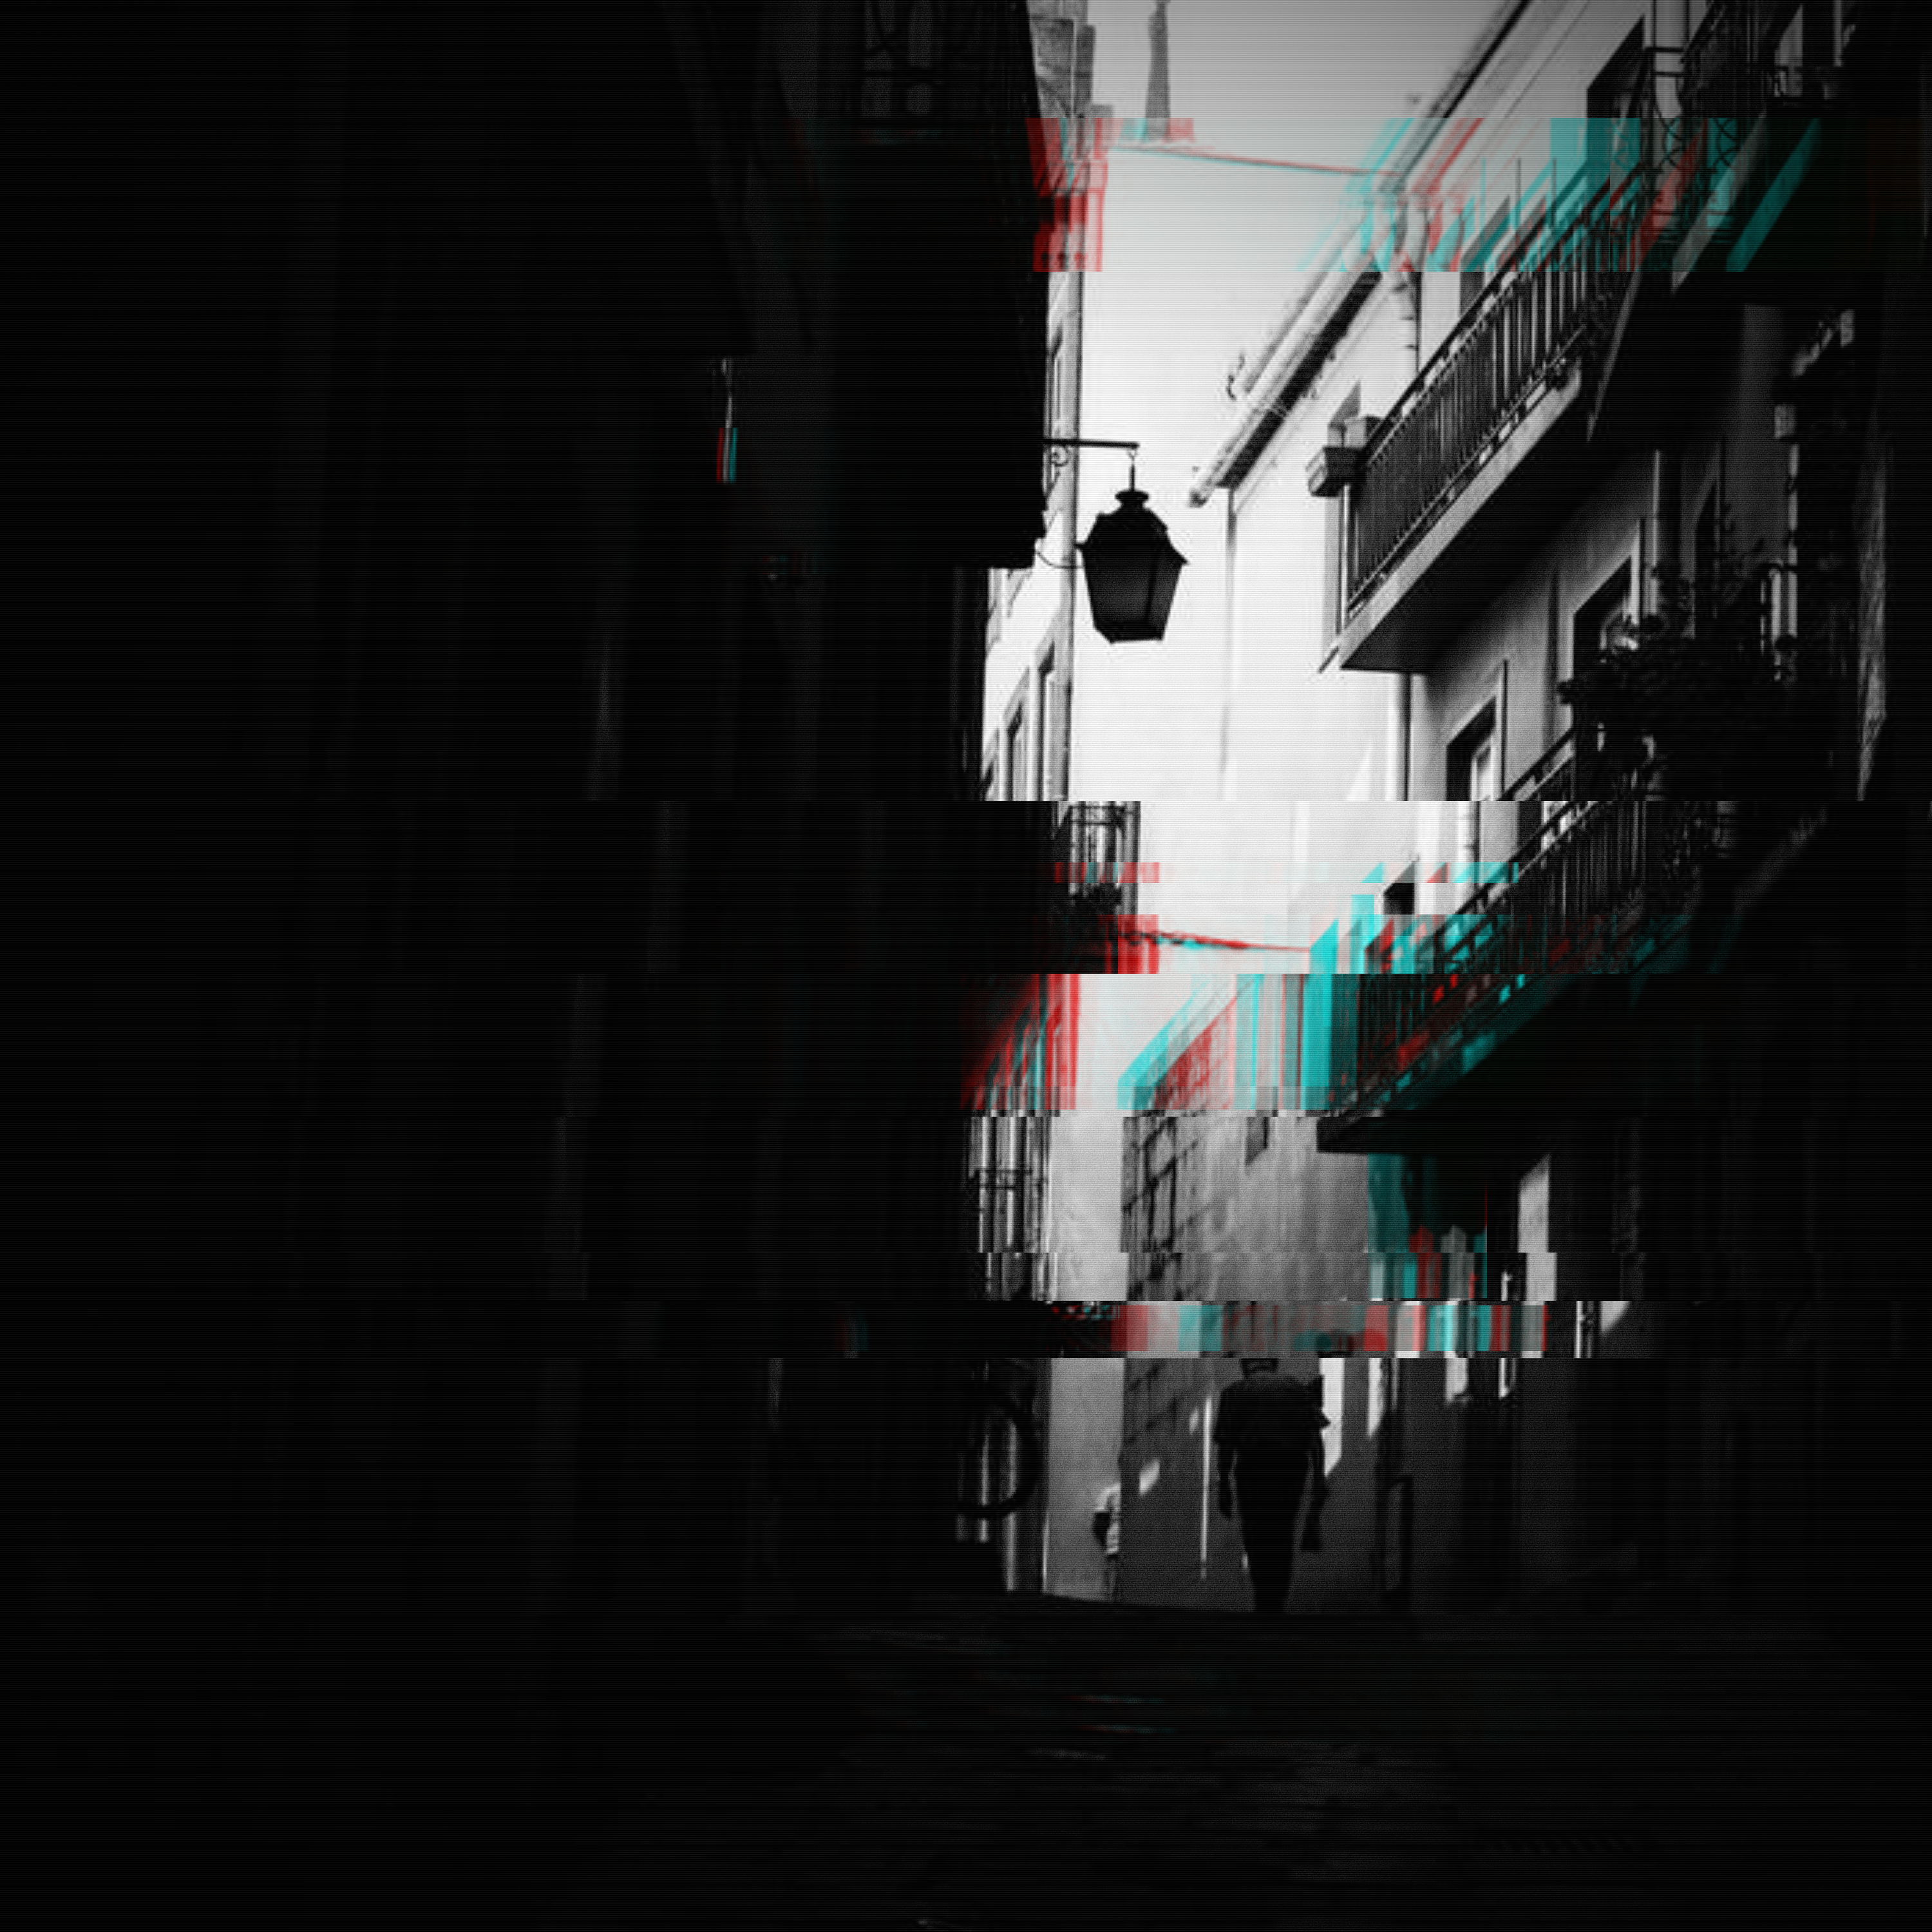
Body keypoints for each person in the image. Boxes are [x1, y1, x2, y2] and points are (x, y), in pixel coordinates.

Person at [1213, 1356, 1329, 1615]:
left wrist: (1224, 1485)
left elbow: (1226, 1445)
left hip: (1253, 1468)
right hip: (1290, 1469)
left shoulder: (1234, 1392)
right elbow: (1315, 1439)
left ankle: (1263, 1598)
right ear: (1274, 1365)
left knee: (1256, 1534)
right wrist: (1319, 1479)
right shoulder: (1296, 1389)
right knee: (1282, 1533)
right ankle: (1276, 1601)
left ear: (1245, 1367)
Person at [1090, 1478, 1122, 1602]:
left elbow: (1099, 1525)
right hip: (1115, 1543)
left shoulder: (1110, 1492)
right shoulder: (1110, 1492)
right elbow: (1099, 1525)